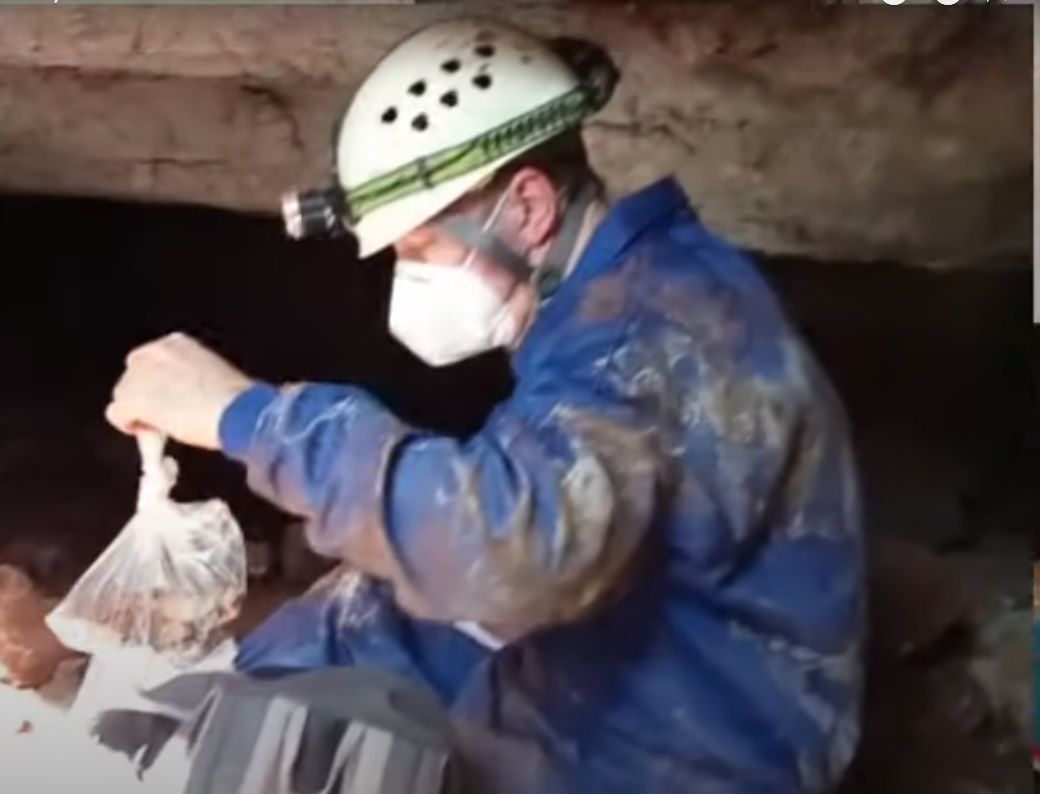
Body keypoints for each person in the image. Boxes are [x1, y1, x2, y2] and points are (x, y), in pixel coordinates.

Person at [105, 18, 864, 793]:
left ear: (529, 206)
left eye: (420, 249)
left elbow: (509, 554)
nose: (409, 280)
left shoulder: (645, 341)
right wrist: (253, 685)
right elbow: (508, 526)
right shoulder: (623, 291)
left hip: (702, 740)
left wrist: (245, 416)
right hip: (633, 643)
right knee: (356, 625)